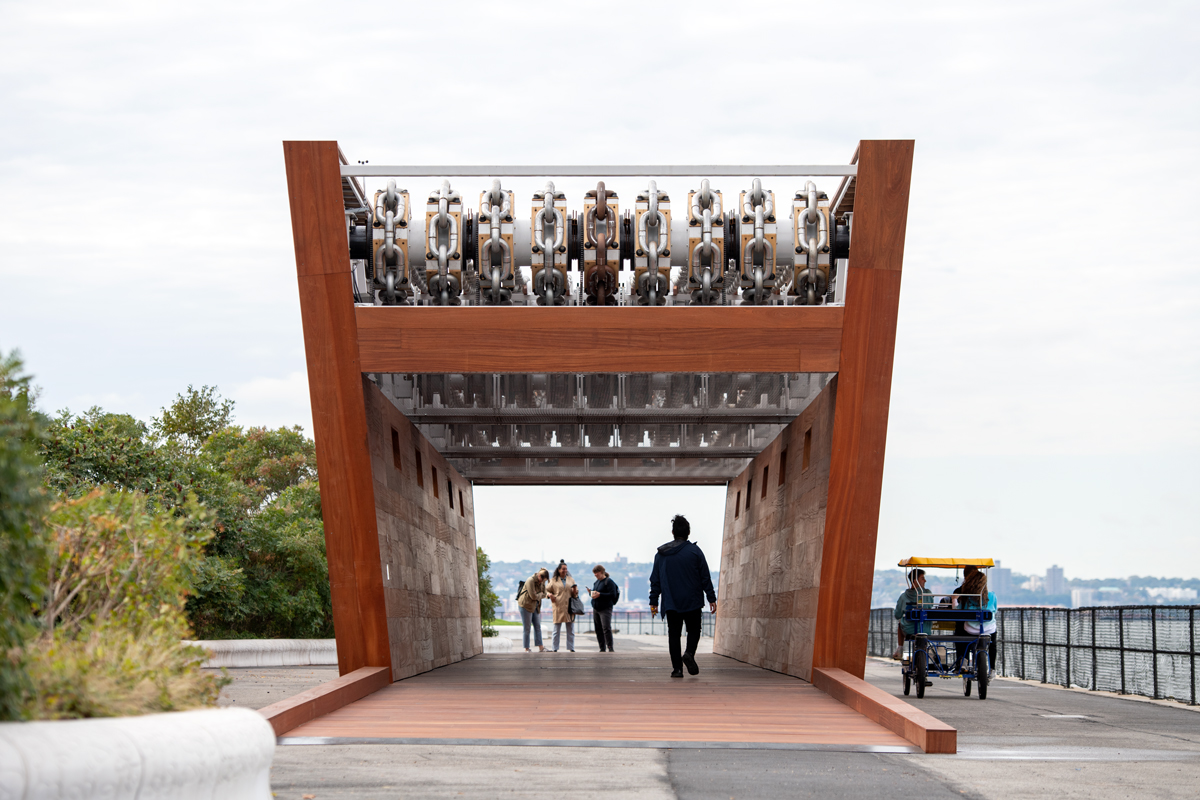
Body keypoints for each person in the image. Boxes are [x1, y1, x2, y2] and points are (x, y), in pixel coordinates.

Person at [649, 515, 717, 678]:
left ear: (673, 532)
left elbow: (655, 580)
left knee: (674, 634)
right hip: (692, 600)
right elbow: (705, 576)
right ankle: (689, 653)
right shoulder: (695, 551)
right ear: (688, 532)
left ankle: (677, 669)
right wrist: (711, 597)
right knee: (694, 629)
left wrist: (653, 601)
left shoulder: (661, 554)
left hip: (671, 602)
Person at [955, 565, 998, 673]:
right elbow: (994, 610)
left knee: (961, 633)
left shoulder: (966, 597)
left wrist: (954, 600)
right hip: (988, 630)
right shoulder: (992, 596)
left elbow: (959, 610)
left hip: (971, 630)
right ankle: (992, 668)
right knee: (993, 644)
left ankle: (963, 661)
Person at [892, 569, 932, 659]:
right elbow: (930, 606)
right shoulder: (927, 594)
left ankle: (900, 648)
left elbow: (897, 615)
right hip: (925, 630)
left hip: (909, 630)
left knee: (900, 622)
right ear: (915, 581)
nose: (925, 580)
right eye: (922, 578)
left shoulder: (903, 597)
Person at [546, 560, 579, 652]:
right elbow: (546, 590)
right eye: (563, 569)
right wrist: (549, 595)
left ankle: (571, 648)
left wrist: (575, 590)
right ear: (559, 570)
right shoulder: (553, 580)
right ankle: (555, 648)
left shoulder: (571, 579)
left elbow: (575, 595)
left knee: (571, 630)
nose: (565, 570)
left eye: (566, 569)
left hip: (569, 607)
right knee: (556, 630)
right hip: (558, 606)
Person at [517, 568, 549, 652]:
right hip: (526, 605)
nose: (542, 582)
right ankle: (526, 648)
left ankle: (541, 647)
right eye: (542, 580)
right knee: (527, 628)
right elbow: (533, 596)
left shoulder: (542, 581)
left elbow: (545, 594)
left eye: (544, 581)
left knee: (538, 626)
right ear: (539, 576)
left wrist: (539, 594)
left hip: (536, 606)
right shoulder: (530, 580)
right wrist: (540, 594)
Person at [589, 565, 619, 652]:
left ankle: (610, 647)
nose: (595, 575)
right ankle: (602, 648)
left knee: (606, 628)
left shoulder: (609, 582)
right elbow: (595, 594)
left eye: (596, 573)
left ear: (601, 572)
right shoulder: (596, 582)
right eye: (594, 574)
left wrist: (600, 594)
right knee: (598, 628)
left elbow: (613, 594)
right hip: (596, 608)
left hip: (605, 608)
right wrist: (591, 593)